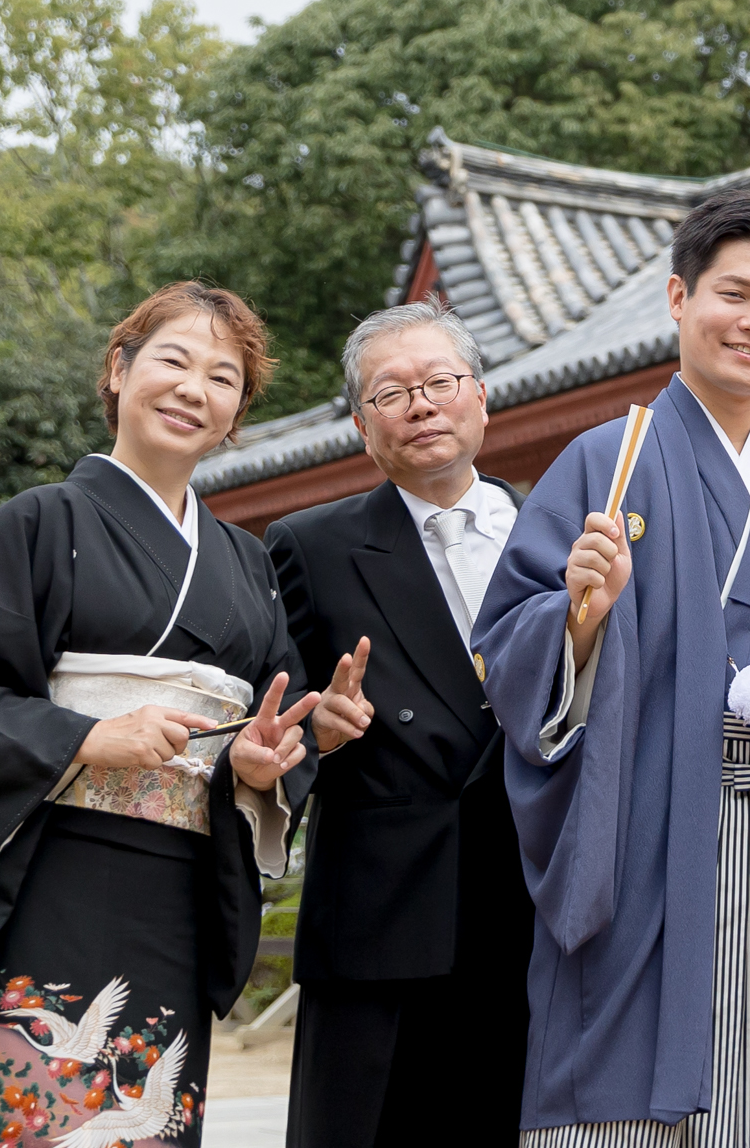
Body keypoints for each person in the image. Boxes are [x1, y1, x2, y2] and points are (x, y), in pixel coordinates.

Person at [476, 187, 750, 1148]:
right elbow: (509, 641)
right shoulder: (605, 458)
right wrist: (581, 618)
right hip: (645, 823)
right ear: (680, 298)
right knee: (624, 1077)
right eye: (735, 293)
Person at [0, 282, 319, 1148]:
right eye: (174, 360)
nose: (193, 389)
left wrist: (259, 765)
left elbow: (273, 719)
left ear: (237, 412)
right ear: (119, 368)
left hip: (180, 885)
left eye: (223, 378)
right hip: (48, 870)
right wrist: (88, 736)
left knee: (145, 1116)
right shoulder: (38, 521)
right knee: (36, 1122)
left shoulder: (247, 566)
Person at [265, 296, 531, 1148]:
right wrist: (318, 733)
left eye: (440, 382)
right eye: (391, 392)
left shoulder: (557, 534)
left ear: (479, 394)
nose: (421, 405)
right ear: (361, 423)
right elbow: (273, 727)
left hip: (532, 911)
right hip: (380, 920)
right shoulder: (310, 546)